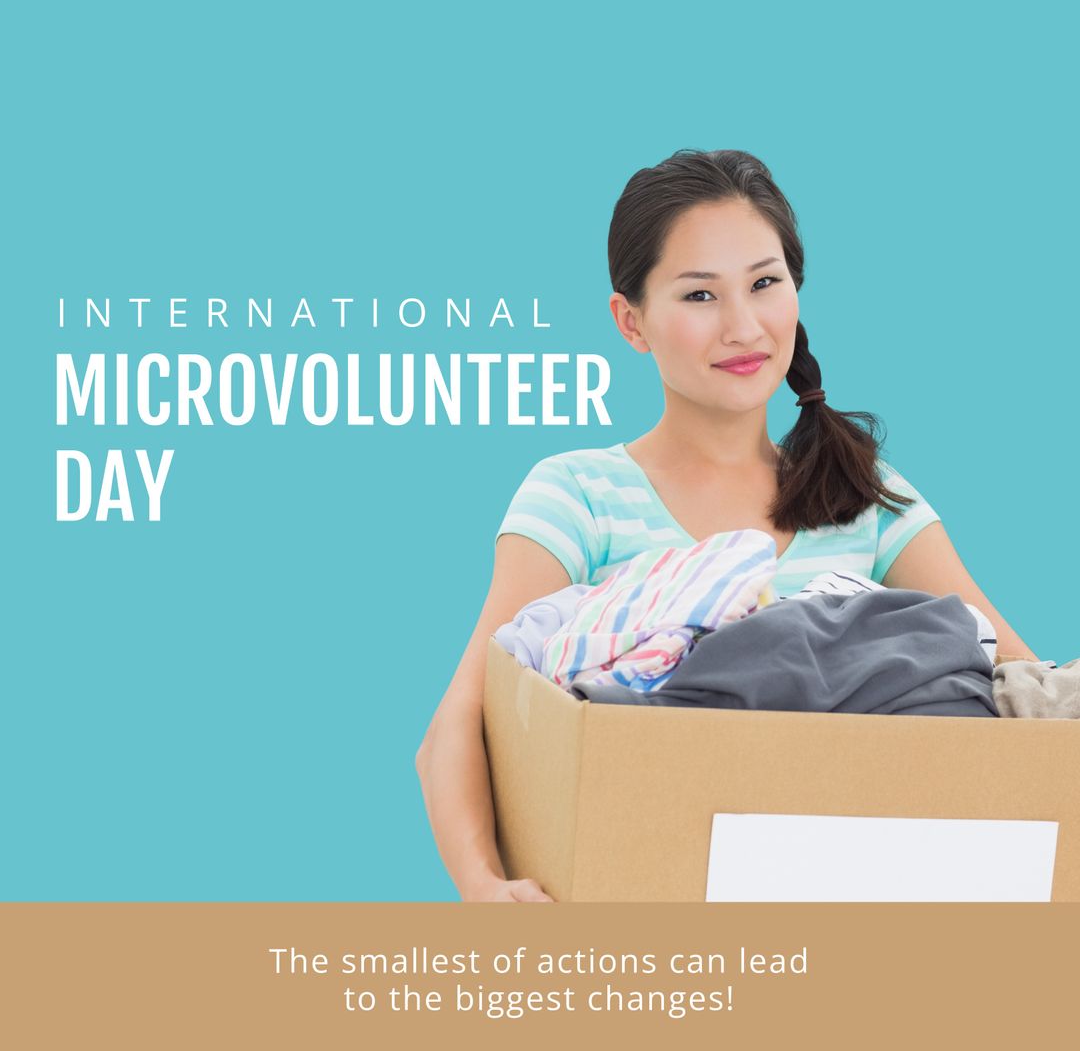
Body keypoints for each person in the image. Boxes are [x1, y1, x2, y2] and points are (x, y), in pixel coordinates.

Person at [415, 149, 1039, 902]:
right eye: (700, 295)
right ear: (631, 321)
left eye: (765, 284)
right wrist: (483, 886)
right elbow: (466, 715)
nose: (744, 327)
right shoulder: (578, 495)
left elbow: (1028, 694)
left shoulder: (862, 494)